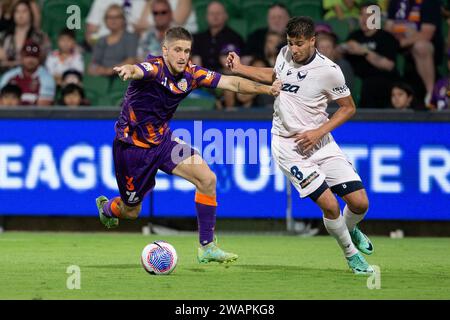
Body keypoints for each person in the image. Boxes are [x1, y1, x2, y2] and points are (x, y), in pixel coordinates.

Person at [95, 27, 280, 264]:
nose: (182, 56)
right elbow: (139, 70)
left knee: (207, 179)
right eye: (177, 50)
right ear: (165, 51)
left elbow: (232, 83)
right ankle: (108, 208)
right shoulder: (155, 68)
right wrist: (128, 70)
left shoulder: (192, 74)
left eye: (187, 51)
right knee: (131, 211)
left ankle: (207, 247)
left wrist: (268, 89)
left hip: (164, 141)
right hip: (132, 148)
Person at [227, 17, 374, 274]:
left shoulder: (329, 70)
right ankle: (352, 256)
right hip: (288, 146)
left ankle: (349, 229)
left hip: (320, 142)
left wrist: (319, 132)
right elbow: (274, 75)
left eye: (299, 44)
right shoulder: (284, 54)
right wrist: (239, 68)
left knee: (360, 203)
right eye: (290, 43)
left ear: (312, 41)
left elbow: (348, 108)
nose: (293, 49)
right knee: (330, 205)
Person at [384, 0, 443, 105]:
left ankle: (431, 94)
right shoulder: (395, 2)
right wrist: (399, 34)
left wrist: (402, 41)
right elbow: (388, 27)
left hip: (423, 45)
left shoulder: (431, 2)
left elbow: (426, 34)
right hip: (399, 44)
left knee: (421, 46)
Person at [342, 2, 400, 108]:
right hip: (355, 79)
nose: (364, 19)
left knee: (373, 83)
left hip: (380, 81)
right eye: (361, 15)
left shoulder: (386, 37)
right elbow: (339, 54)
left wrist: (364, 51)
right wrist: (343, 48)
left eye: (368, 15)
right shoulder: (354, 36)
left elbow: (389, 65)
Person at [191, 1, 244, 71]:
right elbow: (196, 64)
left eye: (218, 13)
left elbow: (232, 67)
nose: (215, 16)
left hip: (226, 77)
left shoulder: (234, 38)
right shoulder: (198, 38)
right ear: (206, 17)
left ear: (226, 16)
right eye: (212, 13)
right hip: (203, 77)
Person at [88, 5, 139, 77]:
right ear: (105, 20)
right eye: (109, 17)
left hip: (122, 79)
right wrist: (99, 70)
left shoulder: (131, 38)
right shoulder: (101, 40)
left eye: (117, 17)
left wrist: (111, 70)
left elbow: (131, 60)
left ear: (123, 19)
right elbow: (92, 65)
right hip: (102, 79)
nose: (113, 20)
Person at [0, 40, 55, 106]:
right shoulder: (9, 76)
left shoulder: (47, 78)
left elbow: (43, 107)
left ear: (39, 59)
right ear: (21, 57)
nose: (30, 60)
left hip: (35, 116)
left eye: (34, 56)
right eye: (27, 56)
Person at [0, 0, 50, 72]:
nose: (20, 15)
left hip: (32, 75)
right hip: (6, 75)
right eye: (17, 11)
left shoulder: (40, 37)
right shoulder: (4, 36)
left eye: (24, 11)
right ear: (13, 14)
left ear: (30, 14)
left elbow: (44, 59)